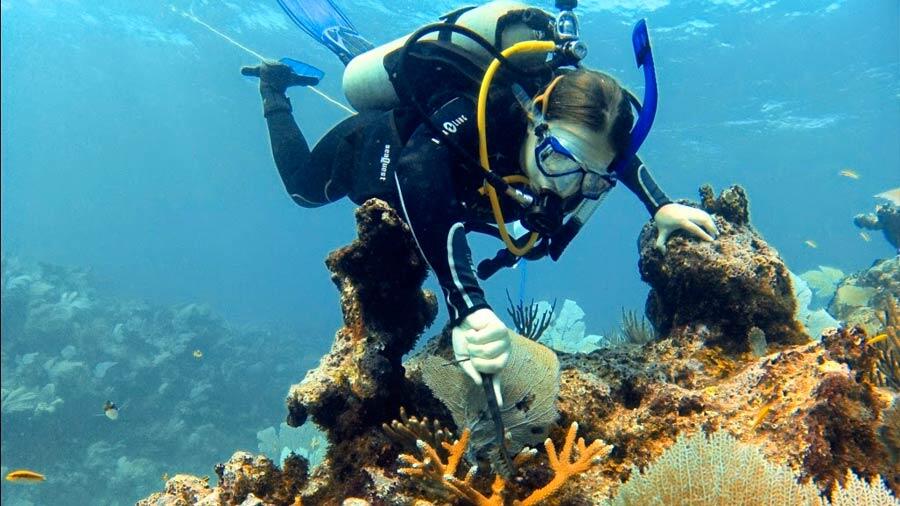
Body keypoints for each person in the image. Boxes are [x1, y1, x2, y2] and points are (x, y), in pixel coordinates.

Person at [247, 8, 718, 406]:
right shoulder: (484, 114)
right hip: (386, 144)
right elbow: (417, 172)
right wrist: (467, 305)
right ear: (535, 115)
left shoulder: (583, 147)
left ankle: (366, 55)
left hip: (457, 175)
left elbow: (617, 156)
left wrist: (661, 206)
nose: (564, 188)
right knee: (304, 191)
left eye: (588, 179)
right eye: (557, 160)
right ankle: (274, 88)